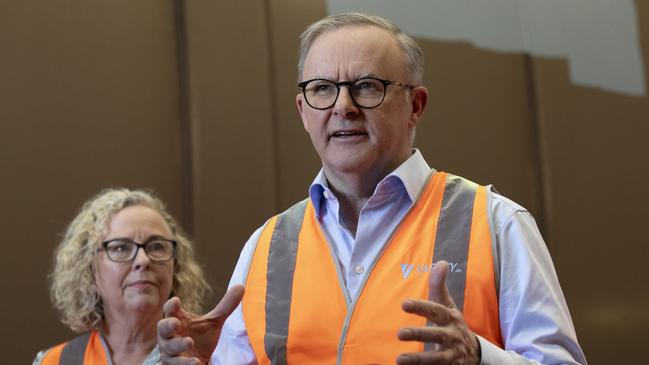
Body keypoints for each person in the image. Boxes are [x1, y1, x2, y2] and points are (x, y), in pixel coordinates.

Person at [158, 13, 588, 365]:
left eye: (367, 86)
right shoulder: (265, 247)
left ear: (414, 106)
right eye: (322, 89)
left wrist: (479, 358)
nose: (343, 107)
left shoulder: (495, 224)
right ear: (303, 110)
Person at [33, 188, 211, 365]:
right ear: (89, 269)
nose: (143, 260)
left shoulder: (202, 357)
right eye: (121, 248)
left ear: (176, 268)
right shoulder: (56, 361)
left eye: (157, 246)